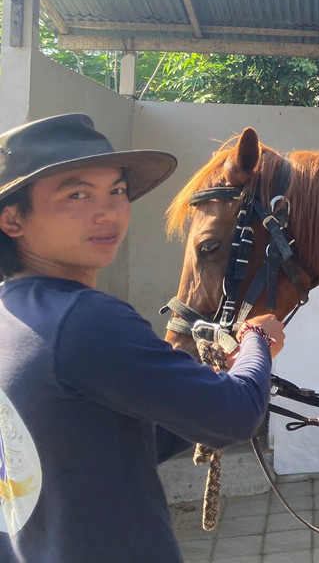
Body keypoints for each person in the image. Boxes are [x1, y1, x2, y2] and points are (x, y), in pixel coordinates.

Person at [0, 113, 286, 563]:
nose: (108, 211)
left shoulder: (13, 313)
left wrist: (192, 391)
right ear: (12, 219)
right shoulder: (84, 318)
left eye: (116, 191)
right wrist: (255, 341)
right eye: (77, 194)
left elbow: (128, 443)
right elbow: (237, 416)